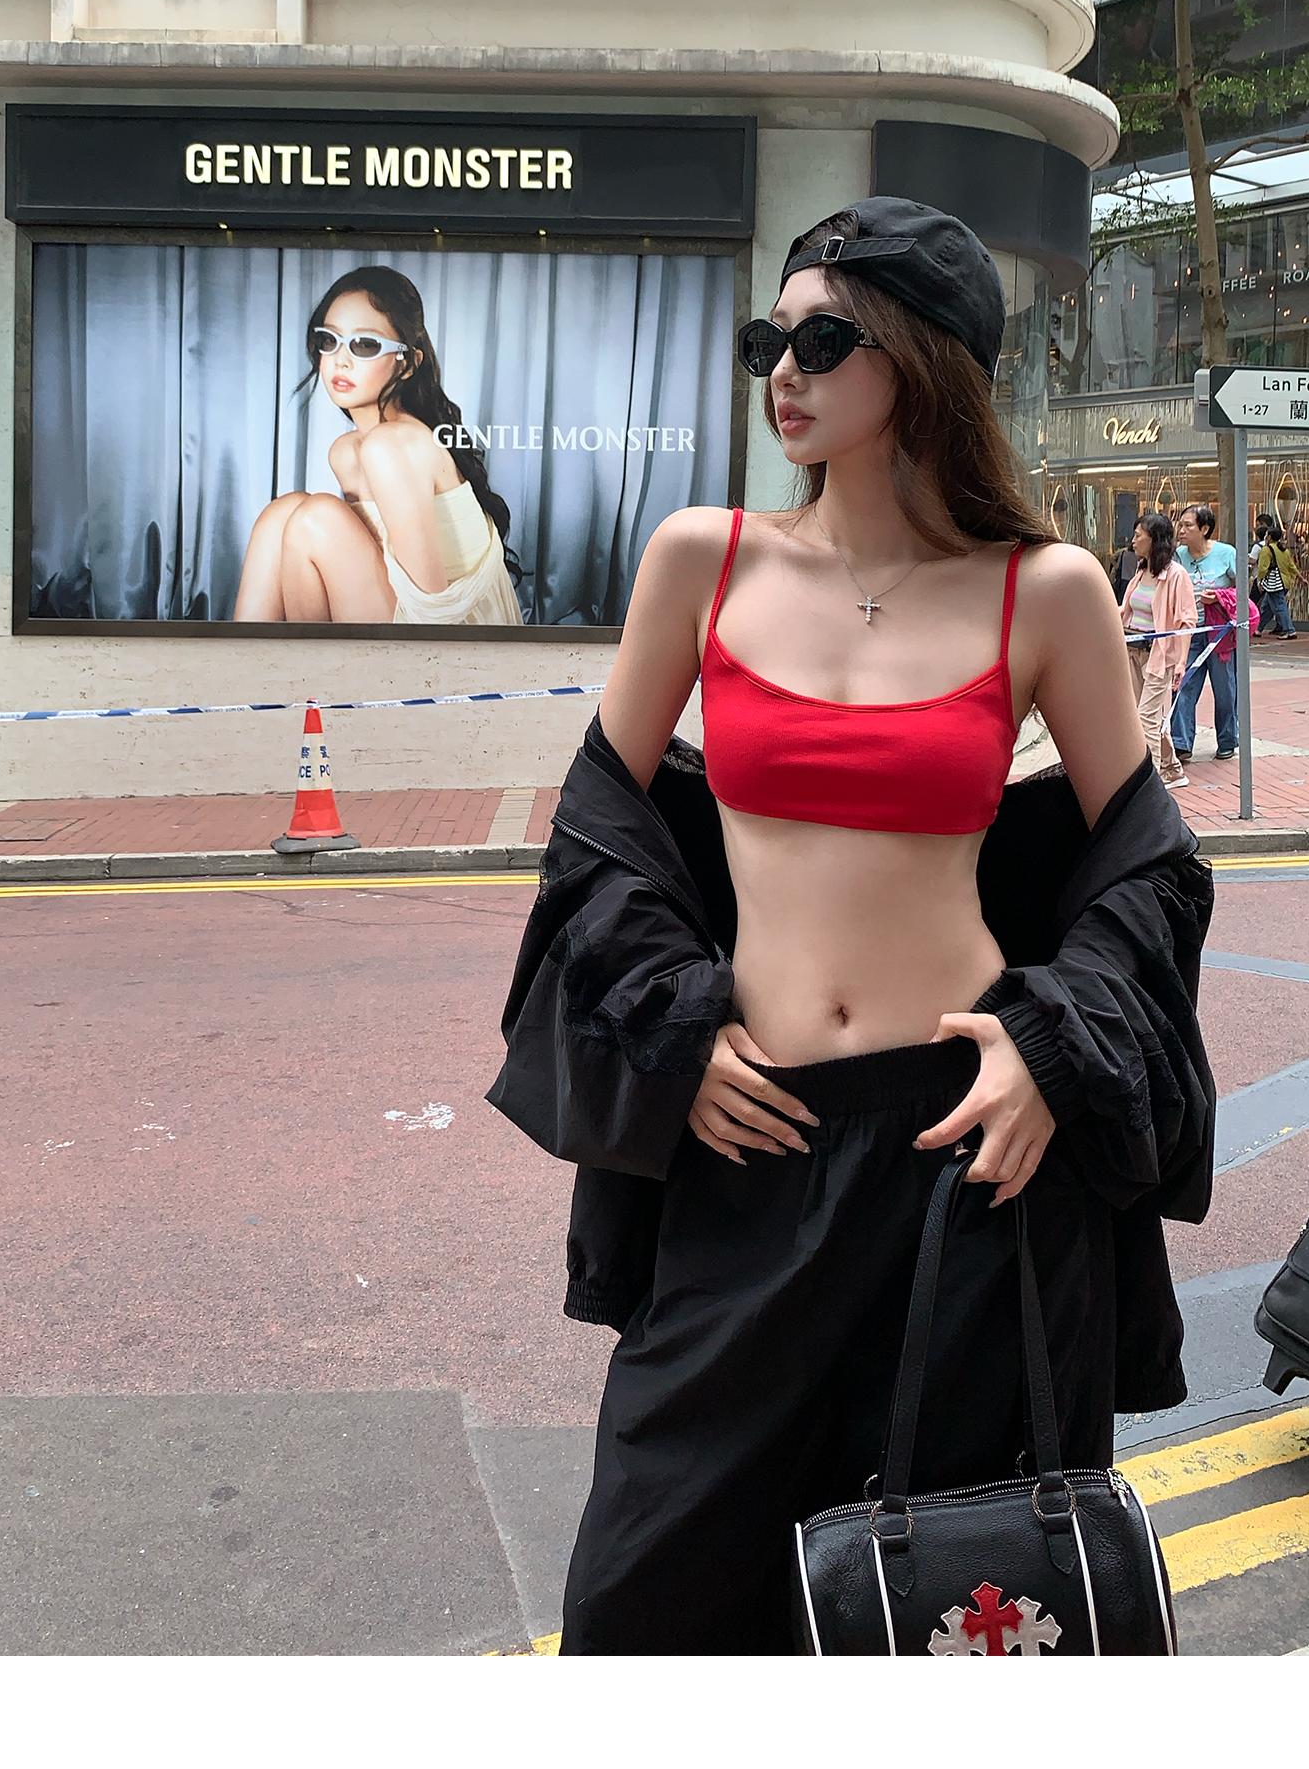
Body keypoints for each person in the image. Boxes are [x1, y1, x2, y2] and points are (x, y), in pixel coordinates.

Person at [489, 197, 1217, 1654]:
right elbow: (596, 834)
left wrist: (1049, 1048)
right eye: (770, 340)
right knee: (647, 1591)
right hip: (750, 1133)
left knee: (949, 1598)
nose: (784, 371)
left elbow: (1150, 869)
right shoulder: (702, 559)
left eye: (823, 341)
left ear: (924, 358)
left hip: (969, 1152)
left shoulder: (1046, 590)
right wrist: (674, 1028)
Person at [233, 266, 522, 626]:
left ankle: (301, 661)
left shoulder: (392, 446)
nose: (340, 360)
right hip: (395, 626)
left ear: (407, 364)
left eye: (365, 345)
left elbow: (434, 617)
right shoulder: (348, 451)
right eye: (329, 340)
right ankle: (248, 660)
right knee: (283, 513)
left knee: (315, 519)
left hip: (449, 639)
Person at [1121, 511, 1196, 789]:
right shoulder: (1141, 572)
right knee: (1145, 716)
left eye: (1138, 535)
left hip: (1159, 655)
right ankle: (1173, 769)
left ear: (1154, 539)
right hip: (1133, 651)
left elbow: (1187, 621)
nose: (1133, 540)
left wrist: (1181, 662)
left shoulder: (1176, 575)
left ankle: (1150, 784)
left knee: (1145, 719)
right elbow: (1127, 610)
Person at [1170, 502, 1239, 762]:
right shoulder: (1178, 556)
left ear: (1205, 529)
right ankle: (1182, 742)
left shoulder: (1226, 553)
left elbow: (1242, 590)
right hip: (1189, 631)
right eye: (1181, 525)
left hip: (1219, 633)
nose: (1181, 530)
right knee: (1183, 685)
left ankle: (1227, 739)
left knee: (1225, 689)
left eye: (1188, 526)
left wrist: (1219, 597)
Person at [1250, 513, 1299, 640]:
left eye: (1267, 535)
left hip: (1274, 583)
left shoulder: (1266, 550)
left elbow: (1263, 568)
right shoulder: (1284, 550)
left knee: (1279, 606)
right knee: (1267, 606)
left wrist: (1259, 581)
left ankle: (1289, 630)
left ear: (1270, 537)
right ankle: (1258, 629)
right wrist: (1300, 577)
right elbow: (1291, 566)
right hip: (1284, 582)